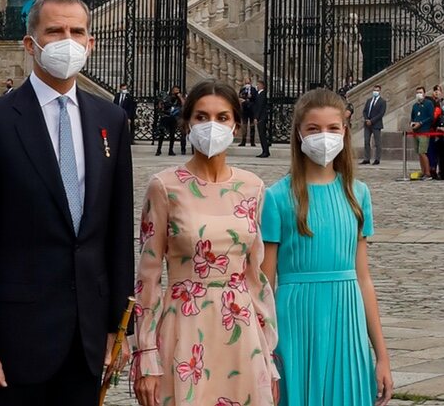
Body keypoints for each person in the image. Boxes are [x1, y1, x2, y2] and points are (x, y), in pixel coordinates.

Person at [0, 0, 134, 406]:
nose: (67, 40)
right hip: (14, 341)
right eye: (55, 31)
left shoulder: (111, 122)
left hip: (85, 338)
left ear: (90, 43)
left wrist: (119, 328)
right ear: (31, 44)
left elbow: (117, 231)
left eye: (76, 31)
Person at [133, 79, 279, 406]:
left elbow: (257, 277)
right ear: (187, 123)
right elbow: (148, 277)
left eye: (222, 117)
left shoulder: (253, 187)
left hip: (241, 331)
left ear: (236, 126)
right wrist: (146, 353)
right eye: (201, 117)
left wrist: (268, 354)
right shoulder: (164, 187)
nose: (211, 125)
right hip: (185, 328)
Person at [261, 88, 393, 406]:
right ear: (299, 133)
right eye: (313, 129)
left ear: (345, 132)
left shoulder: (357, 194)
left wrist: (382, 356)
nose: (324, 136)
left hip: (347, 320)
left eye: (333, 128)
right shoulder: (276, 197)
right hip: (294, 319)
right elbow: (263, 284)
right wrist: (263, 352)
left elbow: (364, 279)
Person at [411, 86, 434, 180]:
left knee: (422, 152)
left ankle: (428, 173)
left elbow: (430, 117)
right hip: (416, 132)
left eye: (420, 92)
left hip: (424, 131)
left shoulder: (428, 104)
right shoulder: (415, 105)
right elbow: (412, 117)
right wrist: (412, 123)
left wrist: (420, 123)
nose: (418, 94)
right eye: (417, 92)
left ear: (424, 93)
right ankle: (423, 171)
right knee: (419, 153)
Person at [361, 84, 387, 165]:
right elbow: (364, 111)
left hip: (376, 124)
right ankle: (366, 158)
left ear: (380, 91)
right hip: (367, 124)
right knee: (366, 141)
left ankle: (377, 159)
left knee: (377, 143)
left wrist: (371, 121)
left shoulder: (382, 102)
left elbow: (381, 113)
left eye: (377, 90)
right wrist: (366, 119)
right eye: (374, 90)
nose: (375, 92)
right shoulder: (369, 100)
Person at [156, 86, 184, 156]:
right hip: (165, 116)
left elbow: (183, 104)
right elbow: (161, 104)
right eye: (175, 90)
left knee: (172, 134)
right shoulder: (166, 97)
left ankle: (170, 150)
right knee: (162, 133)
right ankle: (159, 150)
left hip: (173, 117)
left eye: (178, 90)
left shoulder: (179, 98)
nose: (176, 91)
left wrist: (180, 97)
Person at [426, 86, 443, 178]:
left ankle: (439, 170)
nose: (437, 92)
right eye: (435, 91)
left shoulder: (441, 103)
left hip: (440, 131)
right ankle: (432, 169)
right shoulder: (429, 101)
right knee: (431, 151)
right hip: (432, 130)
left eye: (439, 91)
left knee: (439, 152)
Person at [238, 77, 258, 147]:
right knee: (244, 126)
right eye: (246, 82)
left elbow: (255, 100)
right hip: (244, 110)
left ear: (250, 82)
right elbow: (240, 97)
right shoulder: (242, 89)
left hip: (251, 110)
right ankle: (243, 141)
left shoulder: (253, 89)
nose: (247, 84)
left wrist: (250, 97)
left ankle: (252, 142)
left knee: (252, 126)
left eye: (248, 82)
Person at [254, 80, 270, 158]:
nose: (257, 86)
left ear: (262, 85)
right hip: (261, 116)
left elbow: (260, 107)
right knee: (262, 134)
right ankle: (265, 150)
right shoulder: (258, 94)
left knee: (262, 134)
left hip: (261, 117)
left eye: (258, 84)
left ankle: (265, 151)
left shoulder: (262, 94)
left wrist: (256, 117)